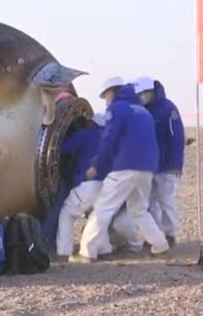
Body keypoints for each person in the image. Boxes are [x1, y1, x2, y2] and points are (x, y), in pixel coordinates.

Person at [71, 82, 169, 263]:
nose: (106, 100)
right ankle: (160, 245)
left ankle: (87, 252)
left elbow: (109, 140)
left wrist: (97, 165)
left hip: (126, 167)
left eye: (106, 96)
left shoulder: (117, 109)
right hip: (147, 168)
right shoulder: (142, 111)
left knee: (102, 209)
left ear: (111, 92)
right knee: (139, 210)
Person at [133, 76, 185, 246]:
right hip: (148, 166)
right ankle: (155, 235)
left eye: (143, 93)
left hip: (166, 166)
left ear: (151, 91)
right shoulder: (140, 110)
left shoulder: (168, 109)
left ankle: (171, 233)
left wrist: (176, 164)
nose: (141, 97)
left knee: (166, 200)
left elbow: (176, 138)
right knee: (150, 202)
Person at [55, 113, 107, 258]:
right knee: (97, 216)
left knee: (67, 213)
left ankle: (63, 251)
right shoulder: (109, 139)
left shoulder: (86, 135)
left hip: (88, 185)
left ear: (91, 123)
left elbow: (63, 149)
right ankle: (103, 248)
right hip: (107, 185)